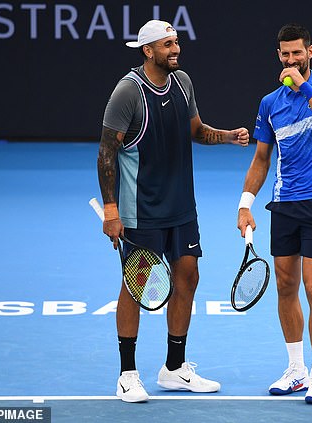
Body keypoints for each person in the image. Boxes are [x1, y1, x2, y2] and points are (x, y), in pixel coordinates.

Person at [97, 19, 249, 403]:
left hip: (182, 207)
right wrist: (112, 210)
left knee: (188, 277)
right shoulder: (127, 92)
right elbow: (106, 152)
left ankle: (174, 368)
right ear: (148, 51)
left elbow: (195, 130)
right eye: (167, 44)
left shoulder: (183, 83)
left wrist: (228, 137)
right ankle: (127, 374)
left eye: (176, 41)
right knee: (135, 287)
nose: (175, 49)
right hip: (140, 211)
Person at [237, 23, 312, 404]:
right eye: (284, 54)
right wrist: (245, 204)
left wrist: (303, 85)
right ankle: (296, 368)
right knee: (285, 286)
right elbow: (261, 159)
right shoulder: (270, 104)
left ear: (310, 52)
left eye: (296, 53)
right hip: (284, 203)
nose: (290, 60)